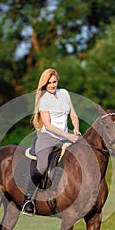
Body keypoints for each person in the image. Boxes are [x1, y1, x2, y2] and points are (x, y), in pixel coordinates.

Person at [22, 68, 81, 216]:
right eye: (48, 83)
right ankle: (28, 200)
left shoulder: (65, 93)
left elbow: (73, 114)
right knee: (42, 167)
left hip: (66, 137)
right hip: (48, 138)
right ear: (44, 85)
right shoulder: (44, 100)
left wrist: (76, 129)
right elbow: (48, 125)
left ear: (57, 80)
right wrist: (68, 136)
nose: (52, 86)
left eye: (54, 82)